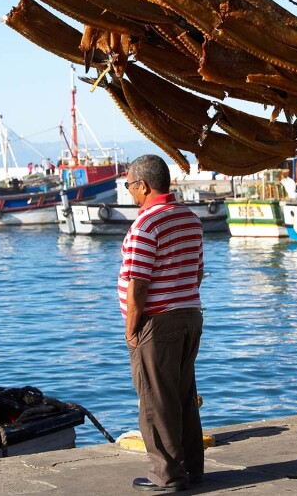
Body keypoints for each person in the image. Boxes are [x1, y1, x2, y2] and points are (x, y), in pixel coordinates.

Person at [119, 154, 205, 492]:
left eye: (129, 185)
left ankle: (167, 475)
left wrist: (131, 328)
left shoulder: (145, 224)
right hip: (190, 316)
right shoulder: (190, 218)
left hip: (157, 322)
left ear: (143, 185)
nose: (129, 192)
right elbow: (197, 271)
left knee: (155, 400)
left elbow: (138, 283)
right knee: (183, 395)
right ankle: (192, 469)